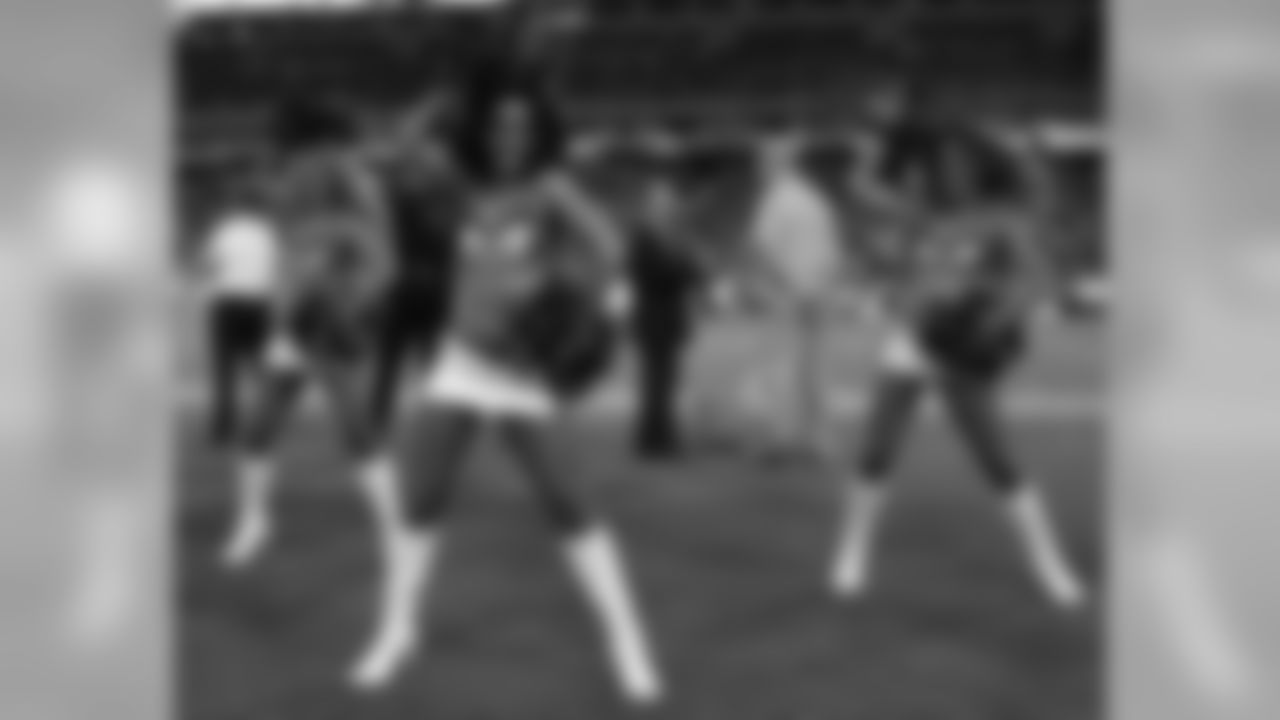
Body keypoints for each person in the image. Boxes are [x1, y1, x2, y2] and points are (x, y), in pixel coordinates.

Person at [348, 71, 664, 705]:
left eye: (521, 124)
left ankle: (627, 641)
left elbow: (612, 247)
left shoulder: (550, 189)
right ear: (480, 129)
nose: (509, 136)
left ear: (538, 130)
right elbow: (401, 153)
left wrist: (601, 309)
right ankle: (396, 630)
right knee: (419, 499)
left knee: (571, 505)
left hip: (522, 372)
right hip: (460, 364)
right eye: (497, 124)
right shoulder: (462, 187)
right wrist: (436, 102)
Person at [830, 105, 1088, 610]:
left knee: (997, 460)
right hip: (911, 339)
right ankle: (852, 548)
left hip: (962, 351)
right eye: (942, 161)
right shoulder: (922, 213)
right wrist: (876, 145)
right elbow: (861, 189)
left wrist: (988, 325)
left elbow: (1036, 280)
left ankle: (1048, 562)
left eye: (959, 161)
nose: (949, 170)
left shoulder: (1004, 217)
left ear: (978, 165)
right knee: (877, 450)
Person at [219, 96, 405, 575]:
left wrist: (355, 304)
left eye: (293, 146)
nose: (291, 162)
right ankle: (254, 519)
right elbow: (290, 251)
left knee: (356, 428)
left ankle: (394, 528)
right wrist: (286, 309)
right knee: (257, 426)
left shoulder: (351, 178)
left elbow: (384, 259)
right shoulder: (296, 187)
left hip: (333, 315)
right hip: (296, 320)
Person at [743, 134, 848, 460]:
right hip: (820, 290)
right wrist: (821, 286)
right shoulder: (815, 200)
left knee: (780, 366)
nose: (760, 169)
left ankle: (781, 437)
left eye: (763, 162)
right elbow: (834, 253)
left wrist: (781, 285)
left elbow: (762, 248)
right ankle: (819, 439)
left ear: (775, 163)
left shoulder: (776, 199)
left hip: (788, 293)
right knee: (816, 368)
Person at [626, 168, 705, 458]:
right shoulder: (644, 237)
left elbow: (692, 272)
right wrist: (685, 269)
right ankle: (655, 439)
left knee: (665, 382)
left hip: (669, 318)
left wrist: (690, 268)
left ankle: (658, 436)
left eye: (671, 201)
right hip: (653, 318)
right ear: (652, 204)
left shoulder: (670, 237)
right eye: (664, 201)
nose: (669, 207)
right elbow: (654, 274)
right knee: (656, 382)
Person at [199, 174, 278, 449]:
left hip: (227, 301)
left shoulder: (225, 231)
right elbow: (275, 268)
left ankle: (224, 428)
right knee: (259, 368)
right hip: (259, 302)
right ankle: (263, 424)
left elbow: (208, 264)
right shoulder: (267, 233)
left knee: (224, 369)